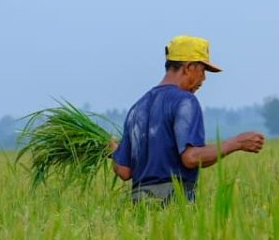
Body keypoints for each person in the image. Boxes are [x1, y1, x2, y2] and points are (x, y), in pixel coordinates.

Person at [110, 35, 265, 203]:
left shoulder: (137, 107)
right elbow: (191, 158)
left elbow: (124, 171)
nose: (204, 79)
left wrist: (112, 150)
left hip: (138, 204)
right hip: (174, 201)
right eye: (203, 70)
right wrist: (237, 143)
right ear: (189, 67)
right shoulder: (185, 101)